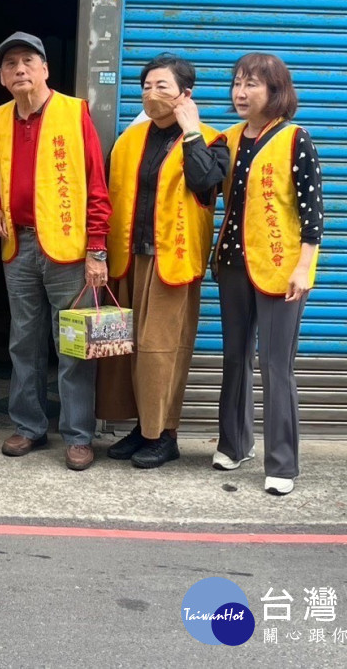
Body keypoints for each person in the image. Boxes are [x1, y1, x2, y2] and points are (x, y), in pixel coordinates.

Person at [0, 32, 112, 471]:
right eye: (10, 64)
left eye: (28, 61)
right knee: (24, 341)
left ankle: (78, 435)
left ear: (45, 70)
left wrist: (98, 249)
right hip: (17, 245)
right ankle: (29, 427)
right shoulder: (1, 118)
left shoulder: (73, 112)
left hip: (70, 251)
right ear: (2, 78)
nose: (20, 69)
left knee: (73, 342)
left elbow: (97, 184)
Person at [96, 53, 230, 469]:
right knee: (128, 350)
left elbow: (207, 183)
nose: (151, 95)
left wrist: (191, 130)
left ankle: (165, 435)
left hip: (171, 261)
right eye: (147, 87)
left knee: (160, 350)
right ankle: (142, 429)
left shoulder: (212, 140)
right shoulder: (129, 139)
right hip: (128, 257)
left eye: (163, 88)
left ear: (185, 95)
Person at [213, 53, 323, 497]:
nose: (240, 92)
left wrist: (304, 267)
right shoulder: (228, 138)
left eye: (252, 84)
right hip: (234, 262)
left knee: (277, 366)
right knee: (235, 357)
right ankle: (234, 443)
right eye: (237, 83)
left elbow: (312, 212)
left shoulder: (296, 139)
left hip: (281, 269)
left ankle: (282, 463)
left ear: (275, 92)